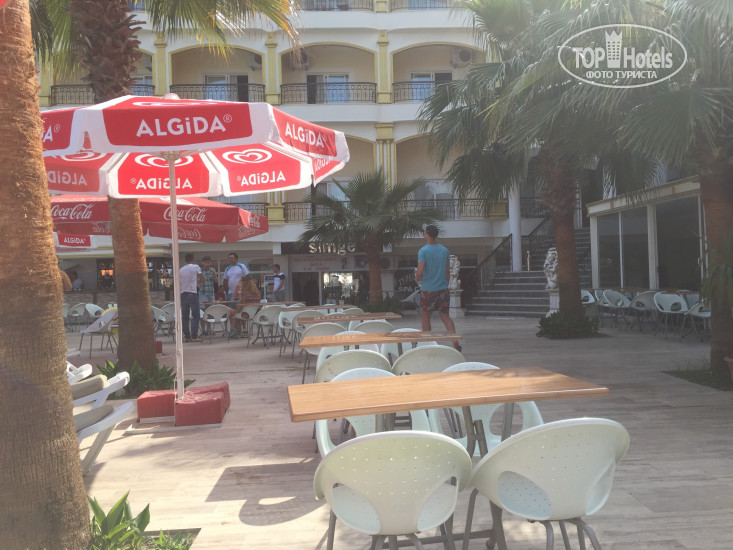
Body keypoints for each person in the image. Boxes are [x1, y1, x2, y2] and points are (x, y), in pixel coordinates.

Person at [415, 224, 460, 351]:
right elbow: (447, 271)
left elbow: (420, 270)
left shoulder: (423, 251)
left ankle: (428, 344)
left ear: (427, 234)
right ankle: (455, 343)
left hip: (428, 289)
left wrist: (417, 279)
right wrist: (445, 283)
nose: (423, 234)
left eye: (424, 232)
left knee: (426, 316)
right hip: (442, 289)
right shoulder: (444, 250)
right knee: (445, 316)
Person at [180, 252, 204, 343]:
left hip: (183, 294)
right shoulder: (195, 267)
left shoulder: (181, 269)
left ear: (185, 260)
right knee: (195, 315)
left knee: (185, 316)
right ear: (193, 260)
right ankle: (194, 336)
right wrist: (198, 282)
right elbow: (203, 278)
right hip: (192, 293)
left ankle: (187, 336)